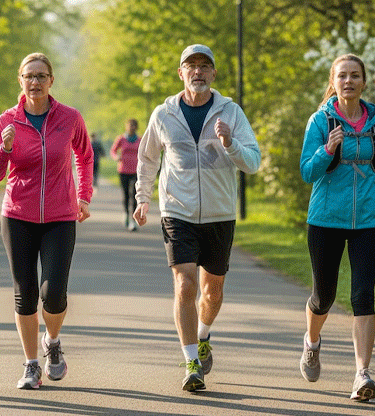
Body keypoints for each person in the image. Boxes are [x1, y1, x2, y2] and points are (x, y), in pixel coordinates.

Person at [133, 44, 261, 391]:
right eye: (192, 66)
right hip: (178, 210)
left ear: (213, 74)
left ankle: (203, 335)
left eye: (205, 66)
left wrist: (230, 142)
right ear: (181, 73)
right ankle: (191, 362)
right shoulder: (163, 114)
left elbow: (253, 162)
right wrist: (143, 198)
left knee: (213, 292)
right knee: (185, 284)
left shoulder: (230, 112)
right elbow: (147, 159)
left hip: (219, 213)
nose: (199, 72)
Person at [298, 53, 375, 402]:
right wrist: (327, 151)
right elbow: (307, 173)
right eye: (342, 75)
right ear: (334, 81)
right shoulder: (320, 120)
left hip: (369, 219)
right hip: (326, 218)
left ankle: (362, 375)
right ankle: (312, 343)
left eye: (355, 75)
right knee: (324, 296)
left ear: (363, 81)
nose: (348, 81)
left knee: (363, 295)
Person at [0, 52, 93, 390]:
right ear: (20, 80)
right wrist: (3, 150)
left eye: (41, 76)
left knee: (54, 293)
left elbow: (85, 156)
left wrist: (84, 196)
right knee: (25, 293)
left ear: (51, 81)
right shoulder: (7, 120)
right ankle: (31, 364)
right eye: (29, 76)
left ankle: (53, 340)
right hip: (18, 216)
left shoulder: (70, 118)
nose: (35, 82)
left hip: (61, 216)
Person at [110, 119, 141, 231]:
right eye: (130, 125)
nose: (132, 127)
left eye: (134, 125)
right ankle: (126, 214)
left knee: (134, 194)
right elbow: (113, 151)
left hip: (136, 171)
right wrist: (116, 157)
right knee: (126, 195)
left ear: (136, 127)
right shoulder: (121, 139)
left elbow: (144, 152)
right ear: (126, 126)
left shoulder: (140, 139)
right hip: (123, 170)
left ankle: (133, 219)